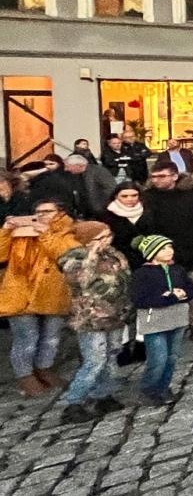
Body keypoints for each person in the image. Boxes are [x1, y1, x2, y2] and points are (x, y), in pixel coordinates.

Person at [0, 198, 79, 396]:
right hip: (20, 292)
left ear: (60, 213)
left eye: (47, 211)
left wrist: (46, 234)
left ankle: (44, 368)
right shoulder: (20, 233)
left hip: (53, 291)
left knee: (51, 337)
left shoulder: (68, 232)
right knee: (27, 337)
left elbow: (66, 254)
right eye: (38, 212)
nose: (42, 215)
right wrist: (6, 231)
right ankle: (25, 375)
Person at [57, 221, 132, 424]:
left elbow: (124, 280)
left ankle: (103, 395)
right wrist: (91, 256)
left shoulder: (113, 255)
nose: (107, 241)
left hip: (115, 316)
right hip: (91, 319)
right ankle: (74, 401)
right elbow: (81, 280)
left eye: (109, 235)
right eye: (101, 238)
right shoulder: (74, 259)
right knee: (94, 360)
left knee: (112, 355)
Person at [127, 234, 193, 406]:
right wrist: (169, 297)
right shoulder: (142, 274)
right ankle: (149, 389)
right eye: (163, 249)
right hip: (155, 323)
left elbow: (191, 289)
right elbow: (140, 299)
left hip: (177, 319)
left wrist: (184, 293)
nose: (169, 251)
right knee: (158, 359)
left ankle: (164, 387)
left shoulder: (177, 270)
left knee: (172, 357)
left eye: (170, 247)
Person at [141, 161, 193, 272]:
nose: (156, 180)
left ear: (174, 176)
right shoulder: (147, 196)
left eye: (162, 176)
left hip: (191, 251)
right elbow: (146, 225)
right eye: (153, 177)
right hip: (161, 253)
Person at [35, 153, 117, 219]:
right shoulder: (76, 176)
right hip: (88, 213)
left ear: (78, 165)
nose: (66, 169)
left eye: (68, 166)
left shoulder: (98, 171)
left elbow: (111, 189)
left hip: (102, 212)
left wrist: (102, 206)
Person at [99, 181, 148, 268]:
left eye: (134, 195)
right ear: (116, 196)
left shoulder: (148, 211)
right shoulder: (106, 215)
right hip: (118, 259)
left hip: (147, 257)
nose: (130, 199)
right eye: (124, 196)